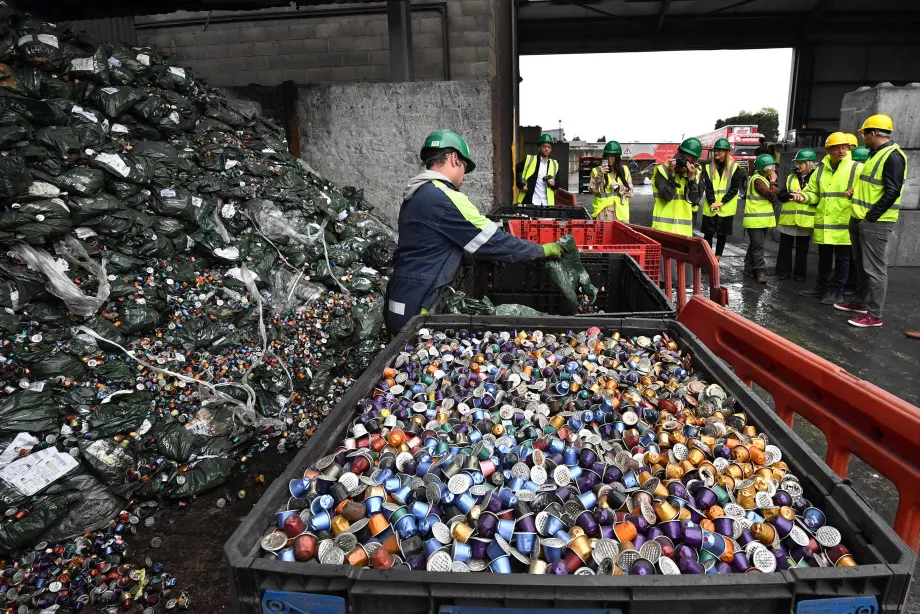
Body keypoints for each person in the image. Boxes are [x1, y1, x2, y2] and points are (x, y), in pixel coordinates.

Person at [386, 130, 564, 334]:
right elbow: (495, 242)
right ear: (454, 159)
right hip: (419, 310)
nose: (463, 177)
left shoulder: (416, 193)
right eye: (464, 167)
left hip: (400, 299)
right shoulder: (445, 198)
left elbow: (432, 245)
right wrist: (542, 250)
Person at [834, 114, 908, 328]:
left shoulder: (893, 156)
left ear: (873, 133)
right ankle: (860, 303)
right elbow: (874, 187)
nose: (862, 138)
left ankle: (874, 315)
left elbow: (892, 191)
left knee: (875, 269)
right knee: (863, 266)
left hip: (875, 223)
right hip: (861, 219)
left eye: (864, 134)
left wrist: (871, 216)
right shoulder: (876, 154)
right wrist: (855, 192)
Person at [794, 132, 858, 305]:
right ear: (828, 150)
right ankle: (821, 287)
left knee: (843, 259)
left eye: (844, 147)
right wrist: (803, 197)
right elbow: (814, 193)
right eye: (836, 148)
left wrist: (855, 193)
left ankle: (837, 291)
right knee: (824, 257)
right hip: (824, 223)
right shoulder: (820, 171)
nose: (841, 151)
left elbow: (866, 192)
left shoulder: (856, 168)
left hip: (844, 223)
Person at [700, 137, 745, 261]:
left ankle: (717, 258)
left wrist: (721, 202)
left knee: (721, 235)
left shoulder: (735, 168)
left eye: (720, 151)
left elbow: (733, 189)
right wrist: (712, 202)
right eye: (715, 150)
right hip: (711, 207)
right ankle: (708, 259)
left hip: (725, 208)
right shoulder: (709, 168)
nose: (716, 153)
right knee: (708, 235)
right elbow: (708, 188)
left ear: (726, 152)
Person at [775, 148, 817, 281]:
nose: (798, 166)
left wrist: (804, 197)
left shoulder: (816, 178)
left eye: (801, 163)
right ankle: (783, 272)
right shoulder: (790, 178)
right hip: (788, 219)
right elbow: (780, 195)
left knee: (802, 250)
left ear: (810, 163)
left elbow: (818, 196)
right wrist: (789, 195)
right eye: (797, 163)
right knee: (785, 248)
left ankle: (799, 274)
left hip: (805, 220)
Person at [651, 137, 703, 237]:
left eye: (689, 160)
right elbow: (667, 196)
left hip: (684, 233)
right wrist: (672, 175)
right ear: (678, 154)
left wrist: (691, 179)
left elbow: (694, 199)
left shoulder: (696, 172)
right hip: (662, 229)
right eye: (683, 158)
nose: (684, 163)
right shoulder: (662, 170)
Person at [743, 154, 780, 283]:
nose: (774, 169)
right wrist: (774, 181)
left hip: (761, 220)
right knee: (759, 247)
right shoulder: (757, 180)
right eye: (772, 166)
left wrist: (772, 184)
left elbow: (775, 196)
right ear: (765, 168)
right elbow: (771, 194)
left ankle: (748, 268)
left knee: (755, 244)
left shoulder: (762, 179)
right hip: (755, 220)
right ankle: (760, 271)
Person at [843, 146, 870, 295]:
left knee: (862, 260)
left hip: (867, 220)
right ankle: (853, 285)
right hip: (854, 218)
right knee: (853, 256)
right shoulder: (857, 176)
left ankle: (857, 288)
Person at [589, 140, 633, 222]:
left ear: (617, 157)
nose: (609, 159)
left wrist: (619, 186)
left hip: (621, 214)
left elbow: (631, 192)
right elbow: (592, 190)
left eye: (612, 156)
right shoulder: (596, 171)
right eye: (607, 156)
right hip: (603, 212)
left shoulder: (625, 170)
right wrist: (600, 175)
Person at [516, 133, 559, 207]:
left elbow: (558, 184)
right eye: (544, 146)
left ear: (551, 149)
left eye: (549, 147)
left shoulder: (555, 164)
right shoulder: (529, 159)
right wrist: (521, 185)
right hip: (531, 201)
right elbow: (514, 170)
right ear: (539, 147)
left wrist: (554, 184)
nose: (546, 149)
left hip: (547, 204)